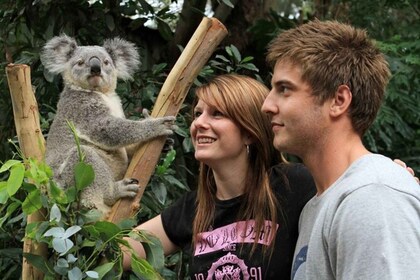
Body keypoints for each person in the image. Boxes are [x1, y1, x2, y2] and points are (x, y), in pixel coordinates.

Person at [261, 19, 420, 280]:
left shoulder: (371, 197)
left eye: (284, 89)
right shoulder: (320, 206)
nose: (267, 105)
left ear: (339, 100)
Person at [123, 74, 316, 279]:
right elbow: (114, 252)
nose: (199, 123)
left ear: (249, 133)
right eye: (198, 113)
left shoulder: (292, 184)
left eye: (217, 114)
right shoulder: (194, 208)